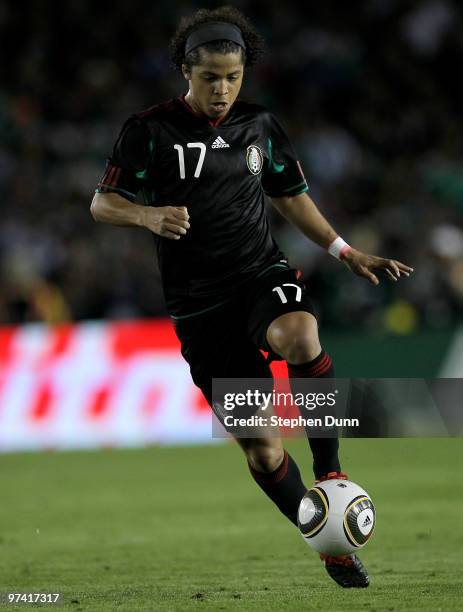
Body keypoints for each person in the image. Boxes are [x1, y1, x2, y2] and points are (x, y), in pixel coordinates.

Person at [91, 6, 413, 588]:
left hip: (258, 272)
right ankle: (327, 539)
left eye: (233, 78)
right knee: (263, 452)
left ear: (246, 75)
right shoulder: (148, 131)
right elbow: (101, 203)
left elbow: (289, 195)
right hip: (198, 306)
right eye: (210, 76)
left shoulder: (259, 125)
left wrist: (346, 250)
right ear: (186, 71)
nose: (222, 89)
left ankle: (333, 473)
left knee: (301, 335)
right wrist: (148, 214)